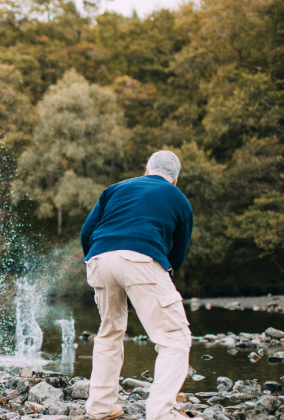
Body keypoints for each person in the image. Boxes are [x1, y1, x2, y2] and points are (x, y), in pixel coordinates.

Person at [80, 151, 195, 420]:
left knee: (109, 333)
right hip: (142, 258)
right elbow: (177, 254)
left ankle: (100, 408)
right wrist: (159, 277)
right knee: (175, 339)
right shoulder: (179, 199)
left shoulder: (116, 188)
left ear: (146, 170)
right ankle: (161, 413)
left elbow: (87, 231)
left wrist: (96, 259)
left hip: (98, 258)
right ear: (175, 179)